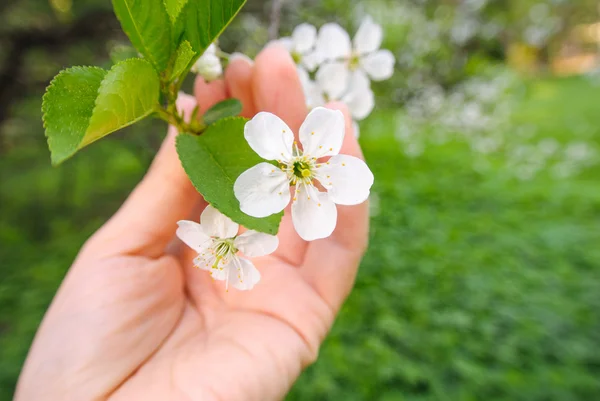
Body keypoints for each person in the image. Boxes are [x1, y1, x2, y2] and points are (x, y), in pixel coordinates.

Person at [14, 46, 369, 401]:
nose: (301, 168)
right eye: (300, 166)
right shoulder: (263, 175)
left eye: (302, 167)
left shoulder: (306, 170)